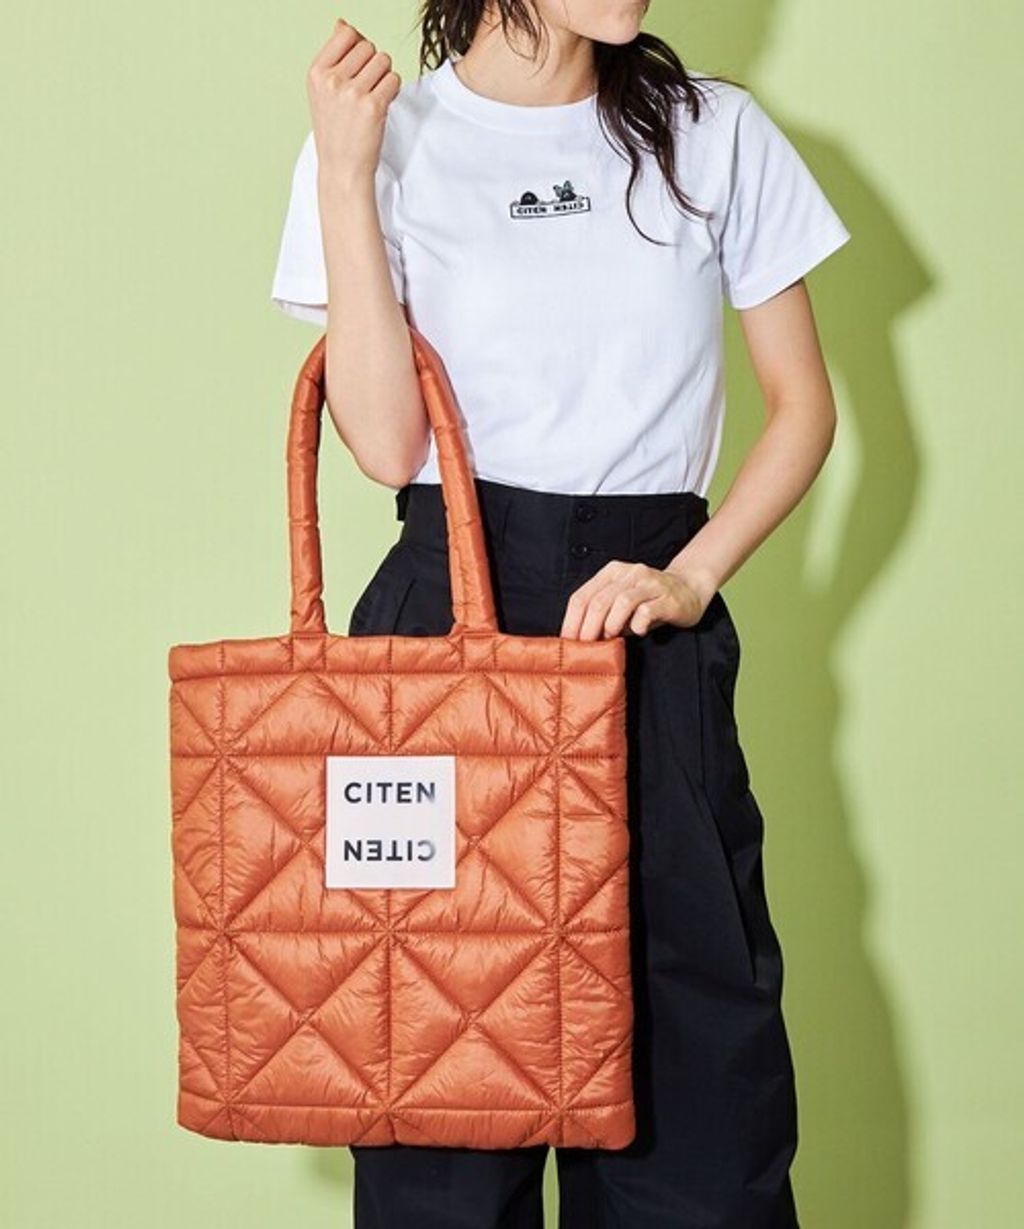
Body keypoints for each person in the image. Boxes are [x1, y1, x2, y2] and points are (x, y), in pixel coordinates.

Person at [270, 3, 851, 1226]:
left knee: (694, 1083)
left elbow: (801, 404)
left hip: (644, 631)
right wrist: (346, 173)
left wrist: (691, 575)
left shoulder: (711, 133)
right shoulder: (382, 137)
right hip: (440, 634)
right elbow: (384, 445)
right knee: (439, 1100)